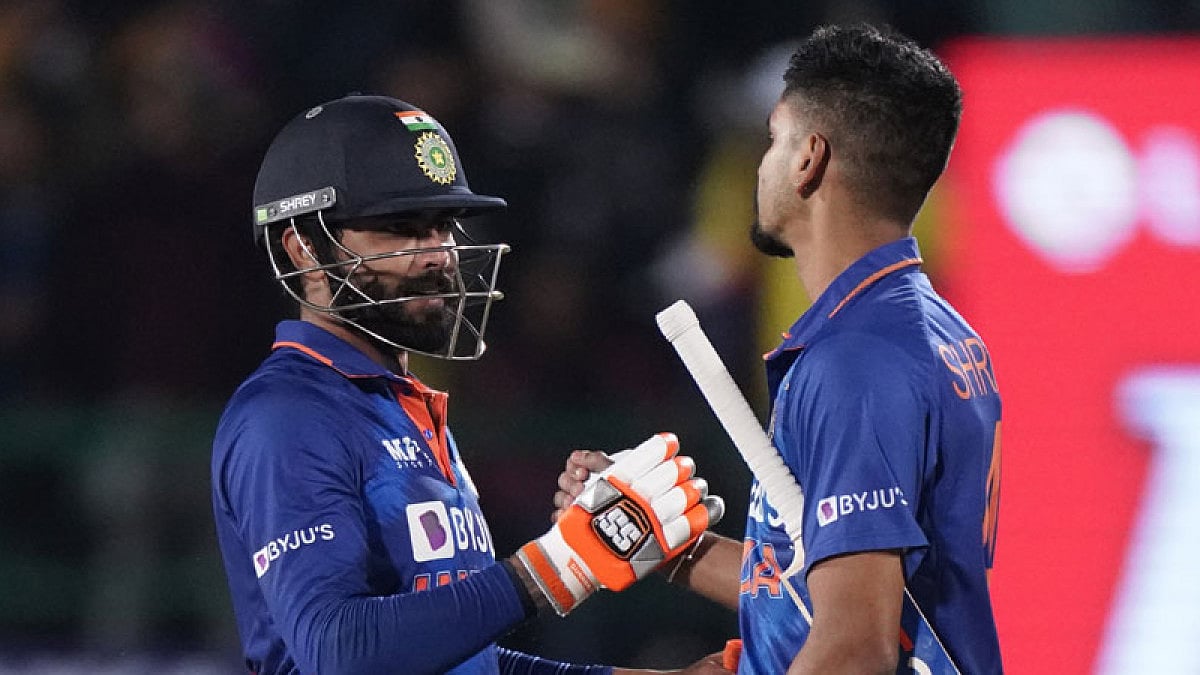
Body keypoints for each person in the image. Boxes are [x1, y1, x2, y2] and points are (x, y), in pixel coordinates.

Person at [210, 94, 730, 675]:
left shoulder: (397, 405)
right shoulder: (289, 415)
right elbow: (339, 652)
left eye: (442, 226)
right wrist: (560, 564)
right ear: (303, 248)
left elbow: (463, 662)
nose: (438, 254)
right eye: (400, 229)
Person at [554, 24, 1003, 674]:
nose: (759, 165)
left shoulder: (856, 362)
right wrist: (665, 545)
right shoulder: (933, 331)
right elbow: (824, 591)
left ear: (808, 158)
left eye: (771, 140)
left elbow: (853, 648)